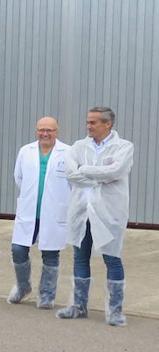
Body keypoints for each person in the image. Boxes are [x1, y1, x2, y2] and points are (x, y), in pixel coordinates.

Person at [57, 107, 134, 326]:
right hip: (82, 211)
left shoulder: (124, 147)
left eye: (93, 122)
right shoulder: (78, 147)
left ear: (107, 124)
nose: (88, 126)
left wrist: (85, 169)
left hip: (109, 213)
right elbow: (72, 175)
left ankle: (115, 311)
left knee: (112, 258)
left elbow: (116, 172)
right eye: (88, 122)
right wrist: (99, 173)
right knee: (80, 258)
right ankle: (78, 306)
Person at [7, 117, 69, 309]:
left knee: (50, 254)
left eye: (49, 130)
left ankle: (46, 295)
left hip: (53, 213)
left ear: (56, 131)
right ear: (37, 131)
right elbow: (19, 177)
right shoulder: (26, 151)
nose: (45, 133)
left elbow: (74, 183)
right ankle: (23, 287)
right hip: (29, 212)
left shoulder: (68, 152)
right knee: (18, 250)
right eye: (41, 129)